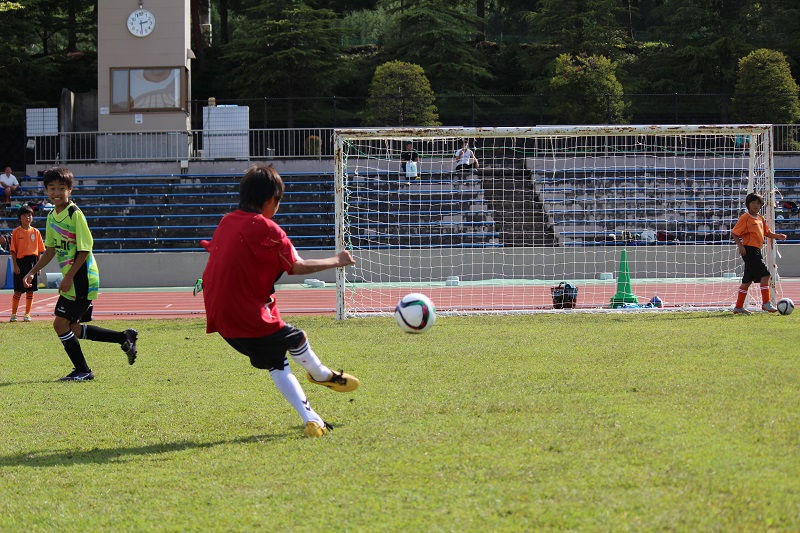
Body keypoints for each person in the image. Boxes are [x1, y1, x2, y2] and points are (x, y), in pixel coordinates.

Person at [201, 164, 359, 438]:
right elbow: (297, 266)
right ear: (272, 200)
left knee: (277, 362)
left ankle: (313, 419)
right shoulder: (268, 229)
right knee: (296, 338)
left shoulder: (227, 221)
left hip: (220, 316)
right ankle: (321, 375)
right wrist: (337, 260)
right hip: (246, 314)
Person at [23, 167, 138, 381]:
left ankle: (83, 371)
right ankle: (124, 338)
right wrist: (32, 271)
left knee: (60, 325)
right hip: (73, 278)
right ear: (46, 190)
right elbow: (50, 250)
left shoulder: (74, 214)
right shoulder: (51, 216)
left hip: (82, 277)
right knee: (73, 328)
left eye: (61, 188)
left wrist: (68, 277)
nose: (56, 192)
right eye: (52, 188)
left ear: (70, 189)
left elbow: (85, 249)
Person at [731, 192, 787, 315]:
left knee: (747, 281)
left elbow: (766, 232)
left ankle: (738, 307)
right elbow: (734, 232)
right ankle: (766, 303)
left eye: (758, 203)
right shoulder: (745, 217)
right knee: (765, 275)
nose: (756, 205)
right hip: (749, 250)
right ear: (748, 204)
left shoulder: (760, 218)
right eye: (753, 203)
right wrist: (740, 246)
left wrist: (778, 236)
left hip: (756, 250)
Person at [9, 206, 45, 322]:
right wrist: (15, 265)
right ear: (20, 218)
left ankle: (27, 314)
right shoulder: (16, 232)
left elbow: (39, 251)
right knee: (18, 290)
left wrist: (38, 266)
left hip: (32, 263)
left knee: (30, 290)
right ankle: (14, 314)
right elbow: (13, 251)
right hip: (20, 262)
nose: (27, 218)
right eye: (24, 216)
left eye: (29, 215)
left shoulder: (36, 232)